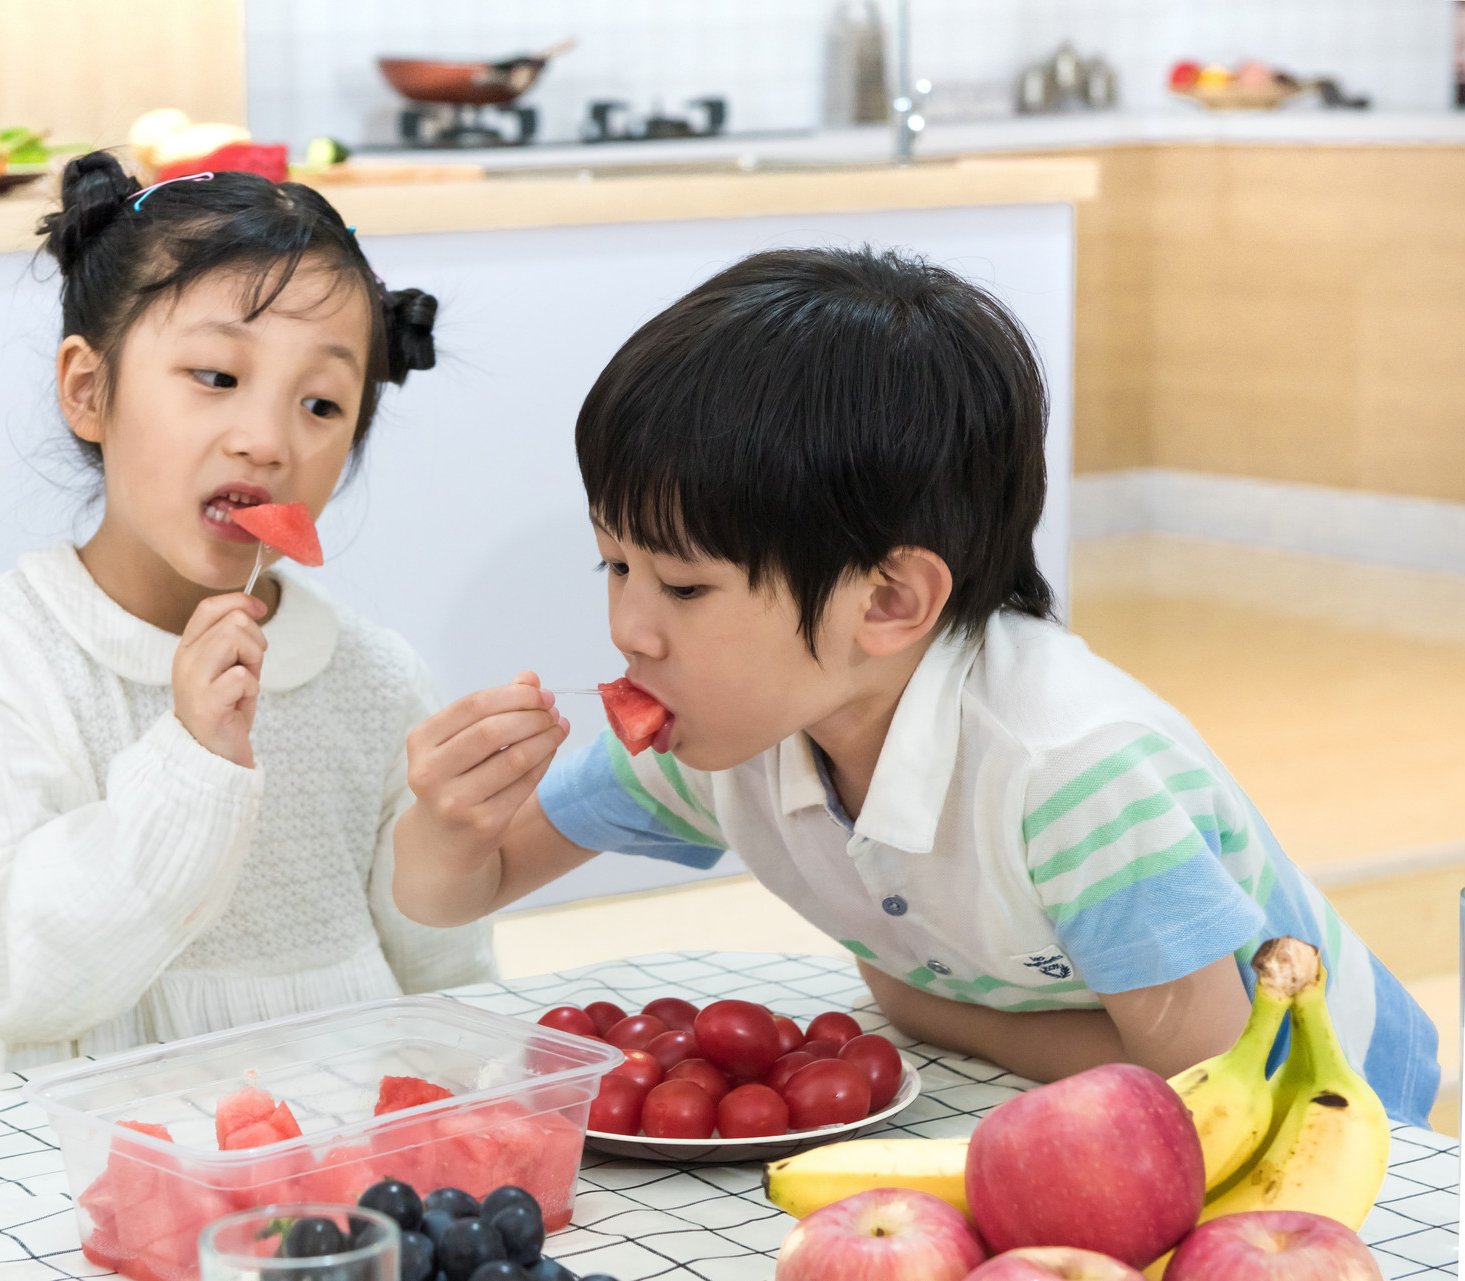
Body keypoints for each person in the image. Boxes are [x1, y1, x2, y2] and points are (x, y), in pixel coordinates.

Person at [392, 247, 1438, 1125]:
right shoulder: (734, 729)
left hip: (1342, 1114)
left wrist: (934, 1016)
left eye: (684, 585)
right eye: (613, 565)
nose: (629, 628)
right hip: (1083, 1089)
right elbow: (453, 899)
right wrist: (448, 824)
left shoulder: (1068, 774)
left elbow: (1219, 1085)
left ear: (889, 601)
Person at [0, 153, 494, 1083]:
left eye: (322, 403)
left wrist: (456, 847)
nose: (267, 438)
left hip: (344, 1177)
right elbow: (2, 979)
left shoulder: (377, 678)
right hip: (86, 1176)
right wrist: (190, 762)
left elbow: (444, 993)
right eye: (217, 375)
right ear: (89, 391)